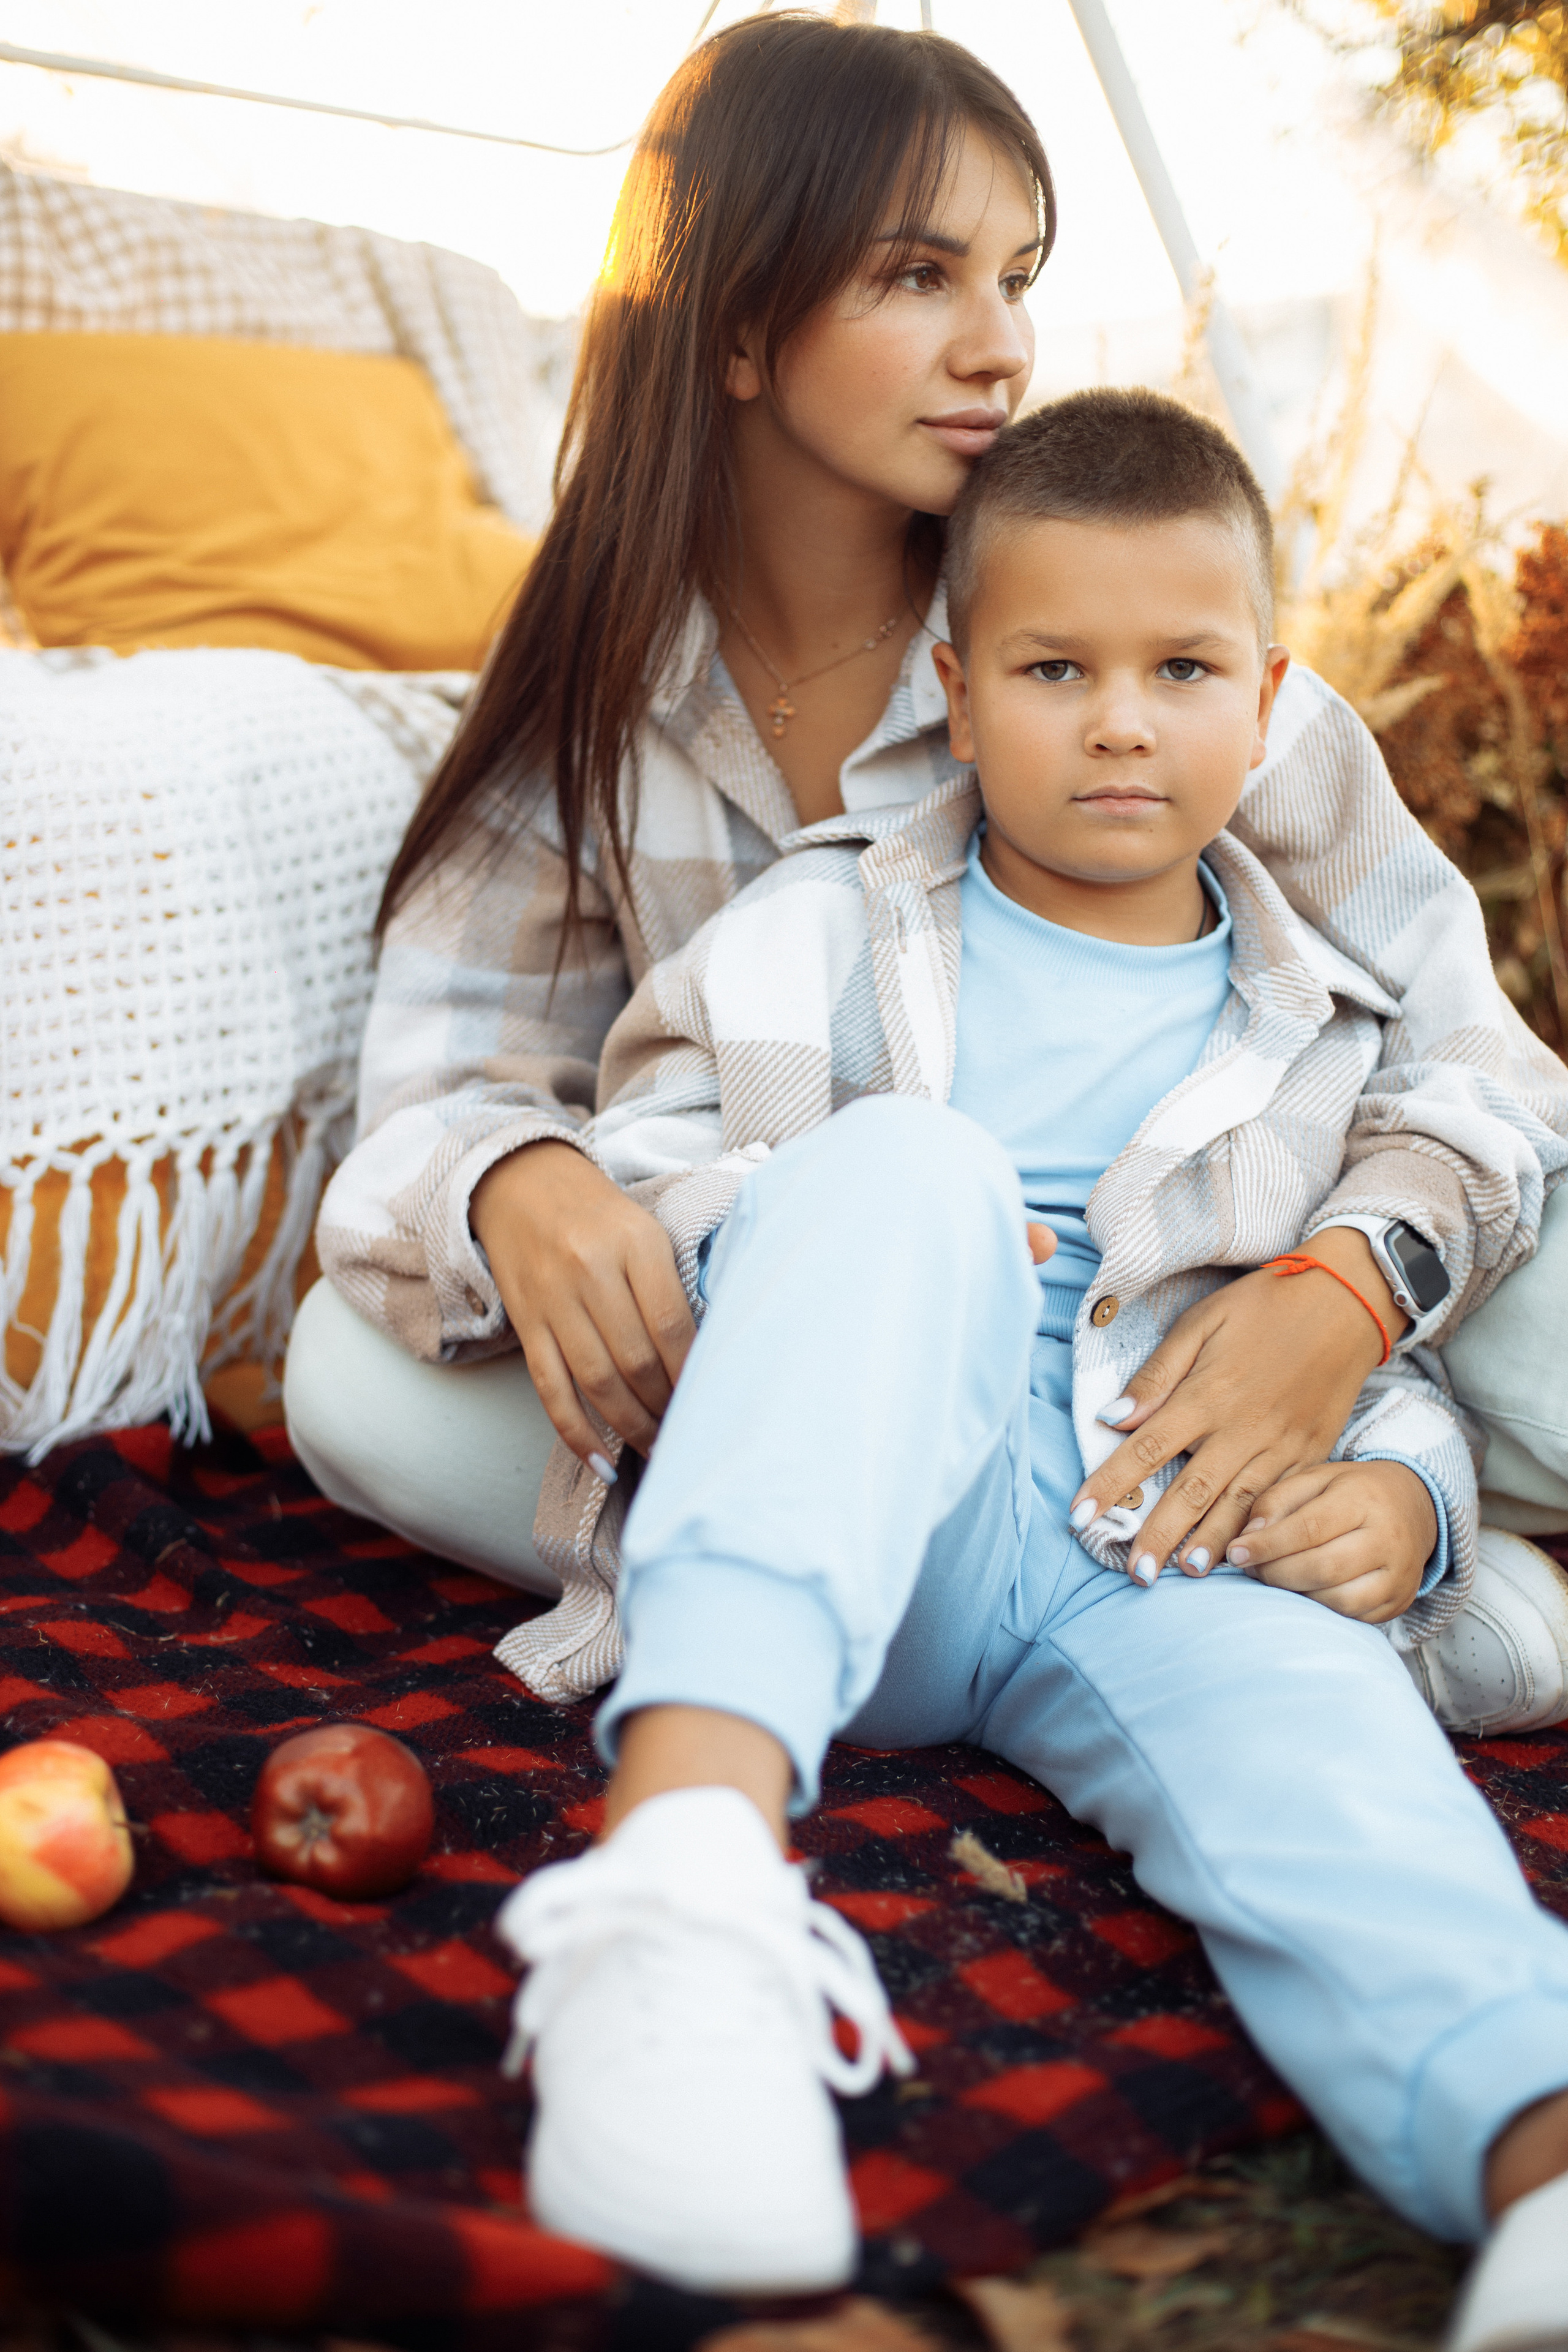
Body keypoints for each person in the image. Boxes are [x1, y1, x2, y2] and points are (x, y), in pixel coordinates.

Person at [295, 19, 1568, 1735]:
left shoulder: (1133, 643)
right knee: (346, 1386)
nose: (1001, 346)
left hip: (1225, 1281)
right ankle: (1308, 1577)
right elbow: (427, 1089)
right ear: (740, 322)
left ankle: (1343, 1522)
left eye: (1020, 277)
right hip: (863, 1342)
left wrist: (1343, 1295)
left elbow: (1481, 1067)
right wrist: (518, 1181)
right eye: (919, 274)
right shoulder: (595, 689)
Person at [494, 391, 1568, 2345]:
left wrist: (1409, 1500)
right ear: (954, 690)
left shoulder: (1323, 1014)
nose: (1123, 722)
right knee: (907, 1167)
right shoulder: (809, 934)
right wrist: (858, 1236)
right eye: (1055, 670)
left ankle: (1536, 2161)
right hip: (870, 1501)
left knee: (1344, 1784)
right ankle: (681, 1896)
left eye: (1183, 671)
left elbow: (1332, 1336)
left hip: (1159, 1524)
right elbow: (651, 1191)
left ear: (1273, 700)